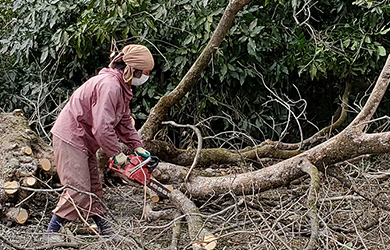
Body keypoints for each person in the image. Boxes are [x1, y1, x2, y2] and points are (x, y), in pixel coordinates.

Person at [44, 44, 154, 239]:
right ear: (133, 69)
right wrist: (116, 153)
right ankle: (50, 233)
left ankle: (107, 232)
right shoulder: (110, 86)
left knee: (94, 187)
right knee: (78, 189)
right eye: (144, 72)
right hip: (71, 137)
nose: (146, 76)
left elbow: (125, 121)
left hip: (84, 141)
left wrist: (137, 146)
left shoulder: (122, 88)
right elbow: (102, 126)